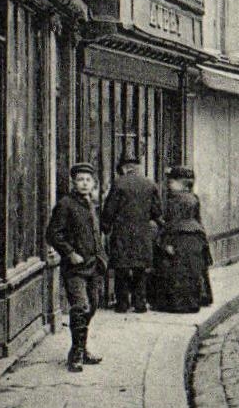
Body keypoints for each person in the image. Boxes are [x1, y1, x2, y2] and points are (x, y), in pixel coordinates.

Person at [46, 163, 106, 372]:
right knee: (80, 307)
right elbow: (53, 234)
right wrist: (70, 253)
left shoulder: (91, 204)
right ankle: (76, 354)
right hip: (75, 268)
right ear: (73, 182)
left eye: (88, 180)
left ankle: (82, 347)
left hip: (93, 265)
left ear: (93, 183)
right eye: (80, 180)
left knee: (93, 306)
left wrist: (101, 257)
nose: (84, 184)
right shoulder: (65, 204)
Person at [102, 156, 164, 313]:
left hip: (122, 232)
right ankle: (140, 303)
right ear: (137, 167)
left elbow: (109, 209)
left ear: (123, 168)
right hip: (143, 232)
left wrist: (105, 227)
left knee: (121, 269)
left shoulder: (118, 183)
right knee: (140, 269)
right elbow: (157, 212)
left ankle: (122, 304)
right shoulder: (150, 184)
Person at [153, 167, 213, 313]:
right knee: (192, 271)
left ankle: (178, 305)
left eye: (171, 182)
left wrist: (166, 242)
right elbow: (198, 220)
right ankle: (193, 302)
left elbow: (172, 222)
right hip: (196, 236)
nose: (169, 184)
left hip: (179, 236)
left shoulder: (175, 200)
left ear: (180, 183)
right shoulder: (194, 198)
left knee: (178, 271)